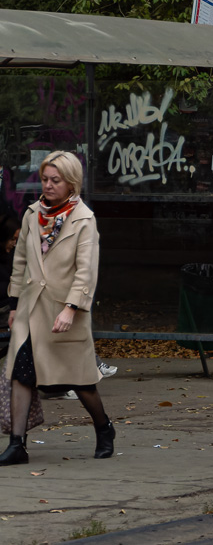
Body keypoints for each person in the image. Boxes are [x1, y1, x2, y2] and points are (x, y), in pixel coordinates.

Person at [2, 151, 113, 465]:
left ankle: (104, 428)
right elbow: (21, 261)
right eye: (45, 179)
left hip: (64, 311)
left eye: (56, 180)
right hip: (29, 310)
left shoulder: (84, 220)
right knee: (21, 374)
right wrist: (13, 305)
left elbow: (86, 270)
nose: (48, 186)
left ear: (71, 183)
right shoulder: (32, 214)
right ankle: (17, 444)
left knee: (78, 380)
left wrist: (71, 308)